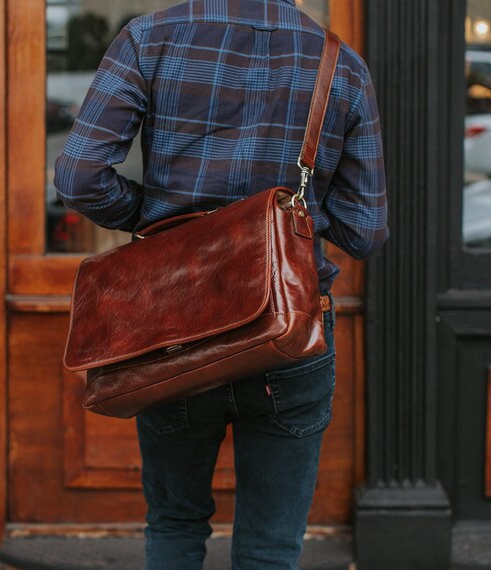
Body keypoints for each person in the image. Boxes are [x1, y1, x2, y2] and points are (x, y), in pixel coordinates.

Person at [54, 0, 388, 568]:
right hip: (292, 328)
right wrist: (284, 222)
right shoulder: (341, 64)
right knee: (271, 547)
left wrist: (154, 222)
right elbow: (365, 232)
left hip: (176, 323)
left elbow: (80, 177)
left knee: (175, 526)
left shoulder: (147, 38)